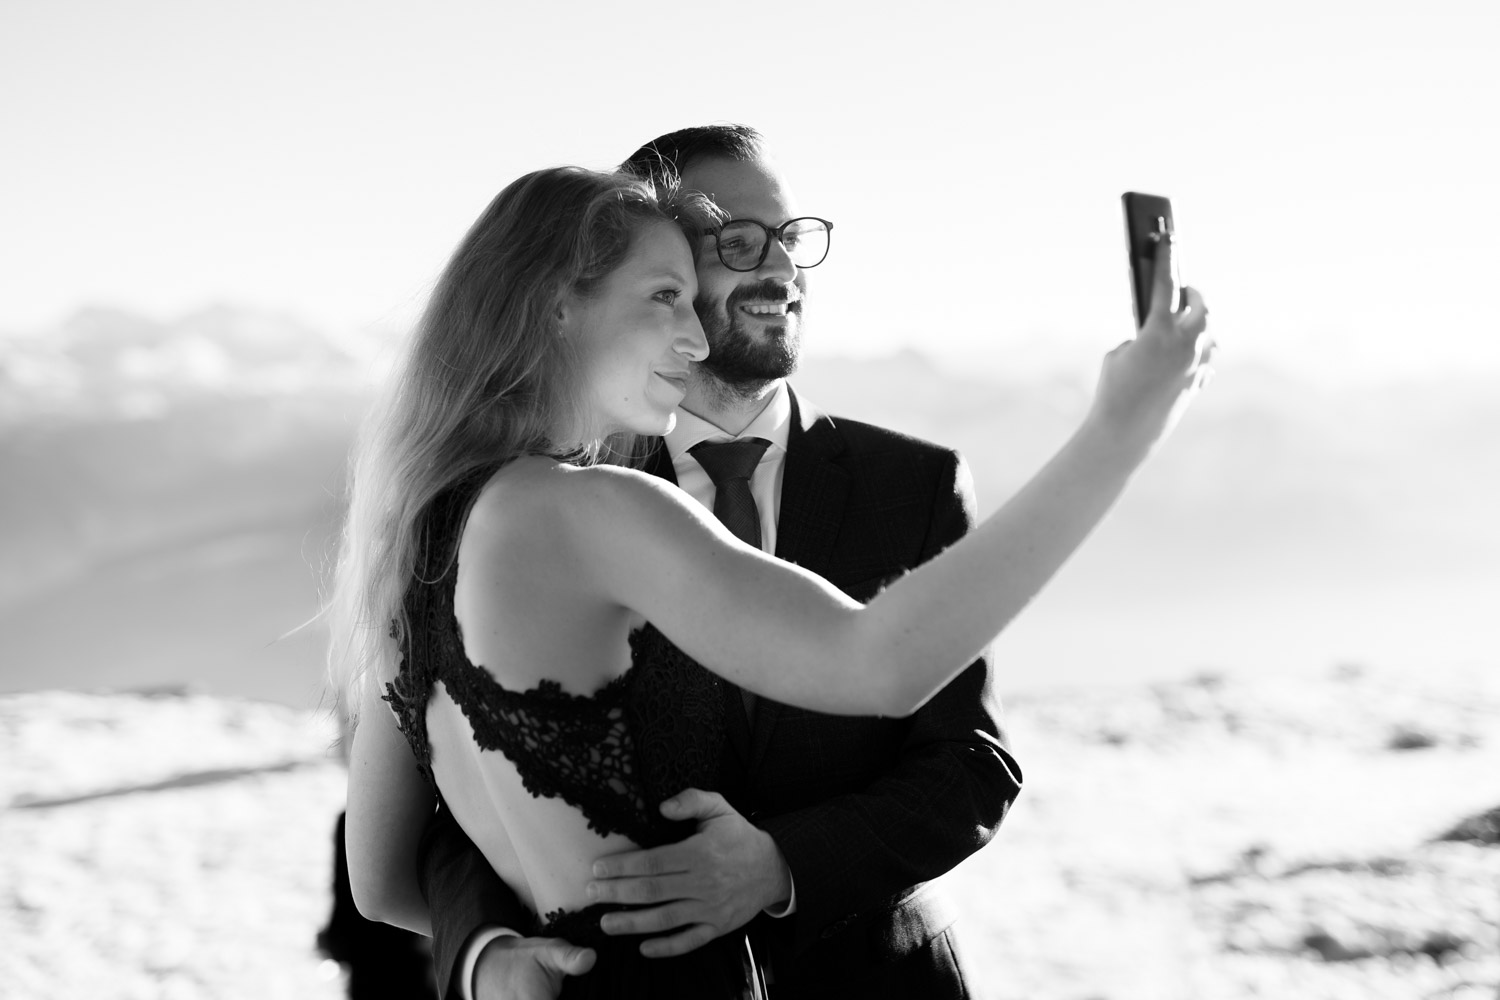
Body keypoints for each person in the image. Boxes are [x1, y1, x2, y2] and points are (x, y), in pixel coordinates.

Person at [337, 150, 1211, 1000]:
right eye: (666, 297)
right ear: (559, 305)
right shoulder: (594, 509)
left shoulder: (414, 535)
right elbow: (879, 663)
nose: (692, 334)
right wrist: (1120, 431)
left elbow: (380, 880)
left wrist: (502, 963)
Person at [420, 124, 1023, 1000]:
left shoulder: (916, 485)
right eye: (736, 241)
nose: (779, 268)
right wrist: (488, 958)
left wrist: (780, 866)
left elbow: (972, 763)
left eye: (790, 239)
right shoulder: (560, 503)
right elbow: (458, 777)